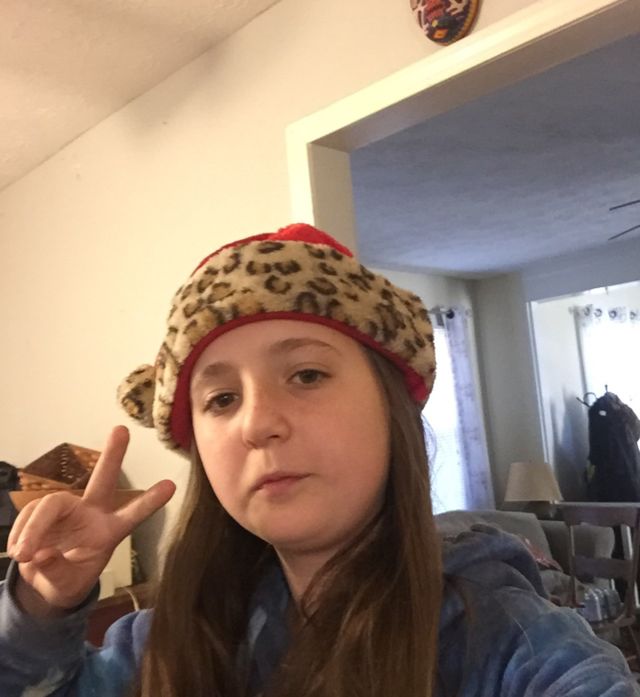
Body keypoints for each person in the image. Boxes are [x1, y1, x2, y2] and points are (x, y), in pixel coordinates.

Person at [0, 223, 637, 697]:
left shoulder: (511, 645)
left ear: (391, 410)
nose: (257, 423)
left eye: (306, 374)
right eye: (221, 399)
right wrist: (44, 607)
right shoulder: (168, 641)